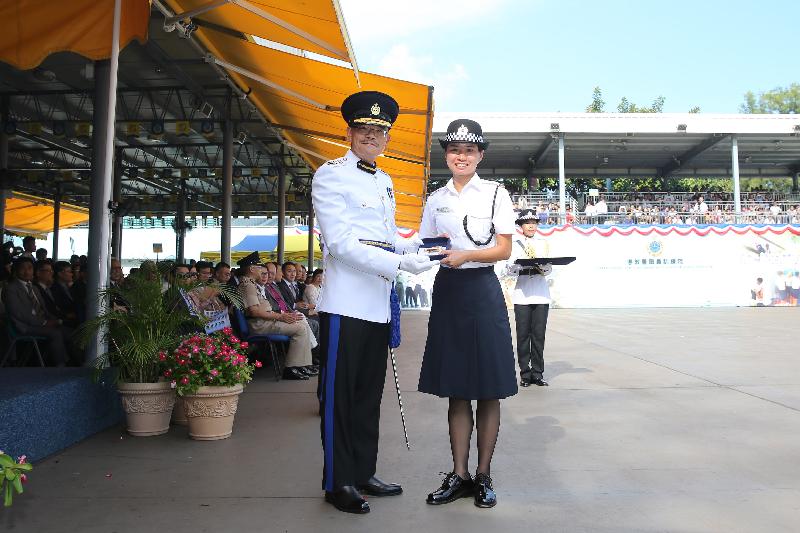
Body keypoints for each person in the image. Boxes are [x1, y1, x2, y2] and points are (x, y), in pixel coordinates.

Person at [311, 90, 438, 514]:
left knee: (368, 396)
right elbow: (342, 244)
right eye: (364, 129)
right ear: (350, 132)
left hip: (378, 304)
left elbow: (386, 238)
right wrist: (401, 263)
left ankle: (363, 471)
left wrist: (419, 247)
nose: (372, 136)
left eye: (379, 131)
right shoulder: (330, 175)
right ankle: (337, 482)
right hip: (346, 304)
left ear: (386, 137)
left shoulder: (384, 181)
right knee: (340, 398)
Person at [417, 119, 517, 509]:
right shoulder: (435, 198)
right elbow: (426, 244)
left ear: (480, 156)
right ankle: (458, 474)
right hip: (448, 292)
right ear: (447, 155)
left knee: (489, 388)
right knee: (457, 388)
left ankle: (483, 475)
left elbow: (503, 249)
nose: (462, 157)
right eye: (455, 150)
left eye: (470, 151)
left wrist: (467, 255)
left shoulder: (495, 194)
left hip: (482, 290)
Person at [236, 252, 315, 380]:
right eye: (259, 267)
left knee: (301, 325)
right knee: (300, 328)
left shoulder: (251, 284)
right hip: (259, 324)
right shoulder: (247, 285)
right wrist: (280, 317)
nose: (262, 271)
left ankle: (301, 365)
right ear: (251, 269)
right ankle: (291, 368)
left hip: (265, 321)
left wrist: (281, 316)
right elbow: (254, 311)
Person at [507, 209, 552, 387]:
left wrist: (542, 266)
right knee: (523, 336)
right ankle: (525, 374)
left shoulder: (544, 243)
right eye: (527, 223)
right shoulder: (515, 244)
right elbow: (508, 269)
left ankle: (538, 374)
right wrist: (520, 266)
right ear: (521, 226)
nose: (531, 225)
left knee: (539, 336)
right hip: (522, 295)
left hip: (541, 295)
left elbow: (549, 269)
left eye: (534, 222)